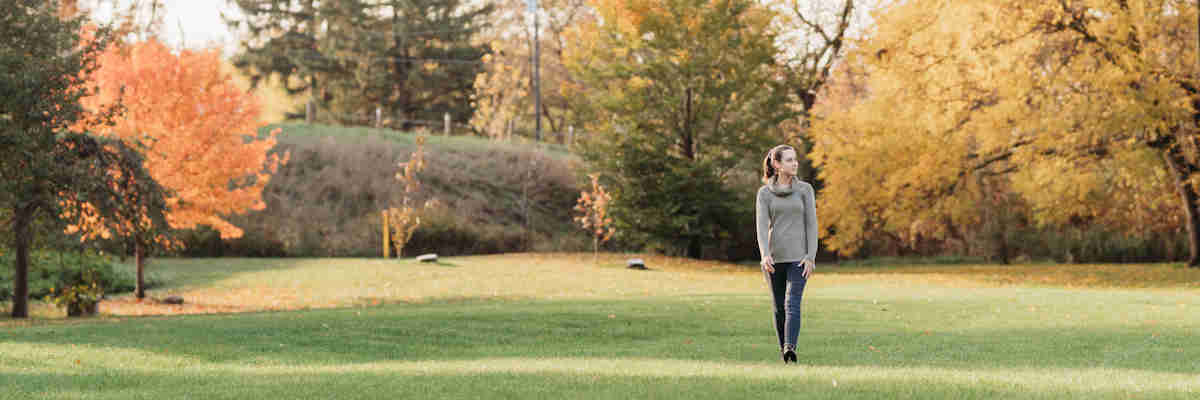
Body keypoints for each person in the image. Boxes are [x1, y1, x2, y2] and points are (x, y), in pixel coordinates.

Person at [755, 144, 818, 364]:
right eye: (789, 160)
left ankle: (791, 347)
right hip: (774, 258)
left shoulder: (805, 190)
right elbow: (762, 227)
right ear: (777, 164)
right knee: (779, 306)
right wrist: (765, 255)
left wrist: (811, 256)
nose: (795, 163)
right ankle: (784, 349)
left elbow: (812, 225)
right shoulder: (764, 194)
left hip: (799, 258)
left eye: (795, 159)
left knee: (792, 303)